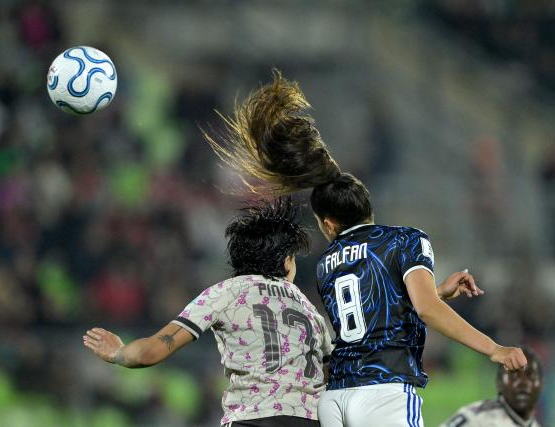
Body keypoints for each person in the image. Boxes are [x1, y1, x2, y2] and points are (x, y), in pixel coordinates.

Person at [203, 70, 527, 427]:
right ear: (367, 206)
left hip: (336, 399)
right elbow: (424, 310)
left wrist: (438, 292)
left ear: (328, 224)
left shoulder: (327, 265)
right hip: (384, 392)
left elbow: (371, 319)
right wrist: (494, 348)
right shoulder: (405, 240)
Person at [83, 197, 333, 427]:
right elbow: (330, 375)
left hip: (253, 419)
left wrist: (117, 352)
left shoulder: (227, 293)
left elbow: (150, 352)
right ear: (287, 261)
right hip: (309, 421)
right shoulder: (309, 309)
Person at [440, 347, 543, 427]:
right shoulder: (475, 418)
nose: (523, 383)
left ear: (541, 384)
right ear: (499, 382)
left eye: (531, 375)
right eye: (513, 375)